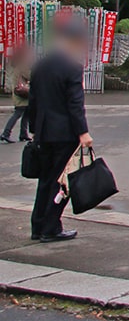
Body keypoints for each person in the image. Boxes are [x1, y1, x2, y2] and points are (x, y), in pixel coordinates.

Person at [27, 20, 93, 243]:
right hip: (64, 133)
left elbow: (33, 101)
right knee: (61, 183)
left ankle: (38, 226)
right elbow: (75, 104)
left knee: (45, 179)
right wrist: (83, 132)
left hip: (44, 132)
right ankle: (51, 227)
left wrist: (34, 129)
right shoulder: (73, 68)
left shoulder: (40, 65)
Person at [2, 47, 33, 143]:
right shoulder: (22, 65)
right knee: (18, 113)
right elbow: (30, 75)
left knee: (26, 114)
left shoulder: (17, 64)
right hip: (21, 93)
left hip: (20, 93)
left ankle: (23, 134)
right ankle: (6, 133)